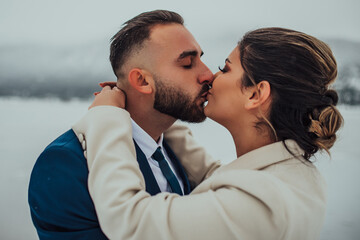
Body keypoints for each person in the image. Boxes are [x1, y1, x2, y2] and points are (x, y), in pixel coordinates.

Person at [73, 27, 344, 240]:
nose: (210, 76)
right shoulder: (295, 175)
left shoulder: (261, 203)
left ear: (256, 94)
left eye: (225, 68)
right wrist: (160, 110)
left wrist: (107, 117)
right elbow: (219, 178)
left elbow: (128, 220)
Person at [28, 10, 214, 239]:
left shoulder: (174, 149)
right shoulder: (64, 164)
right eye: (187, 63)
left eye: (201, 59)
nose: (208, 74)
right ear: (142, 81)